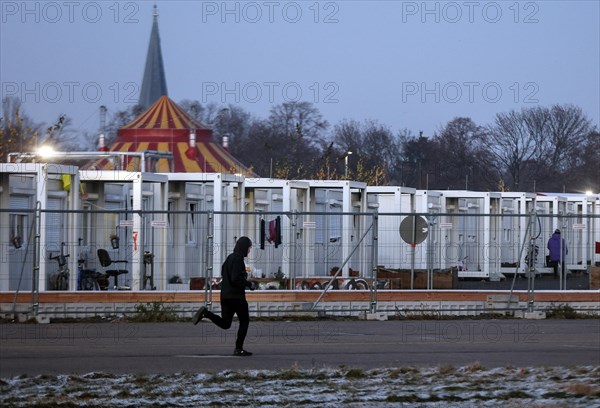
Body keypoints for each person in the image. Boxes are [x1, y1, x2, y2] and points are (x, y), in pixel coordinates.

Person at [192, 236, 256, 356]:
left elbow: (224, 274)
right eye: (249, 247)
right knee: (244, 321)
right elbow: (235, 279)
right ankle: (238, 349)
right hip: (237, 297)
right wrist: (249, 284)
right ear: (244, 247)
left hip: (225, 296)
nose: (249, 250)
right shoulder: (238, 260)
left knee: (226, 323)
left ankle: (206, 313)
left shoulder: (229, 258)